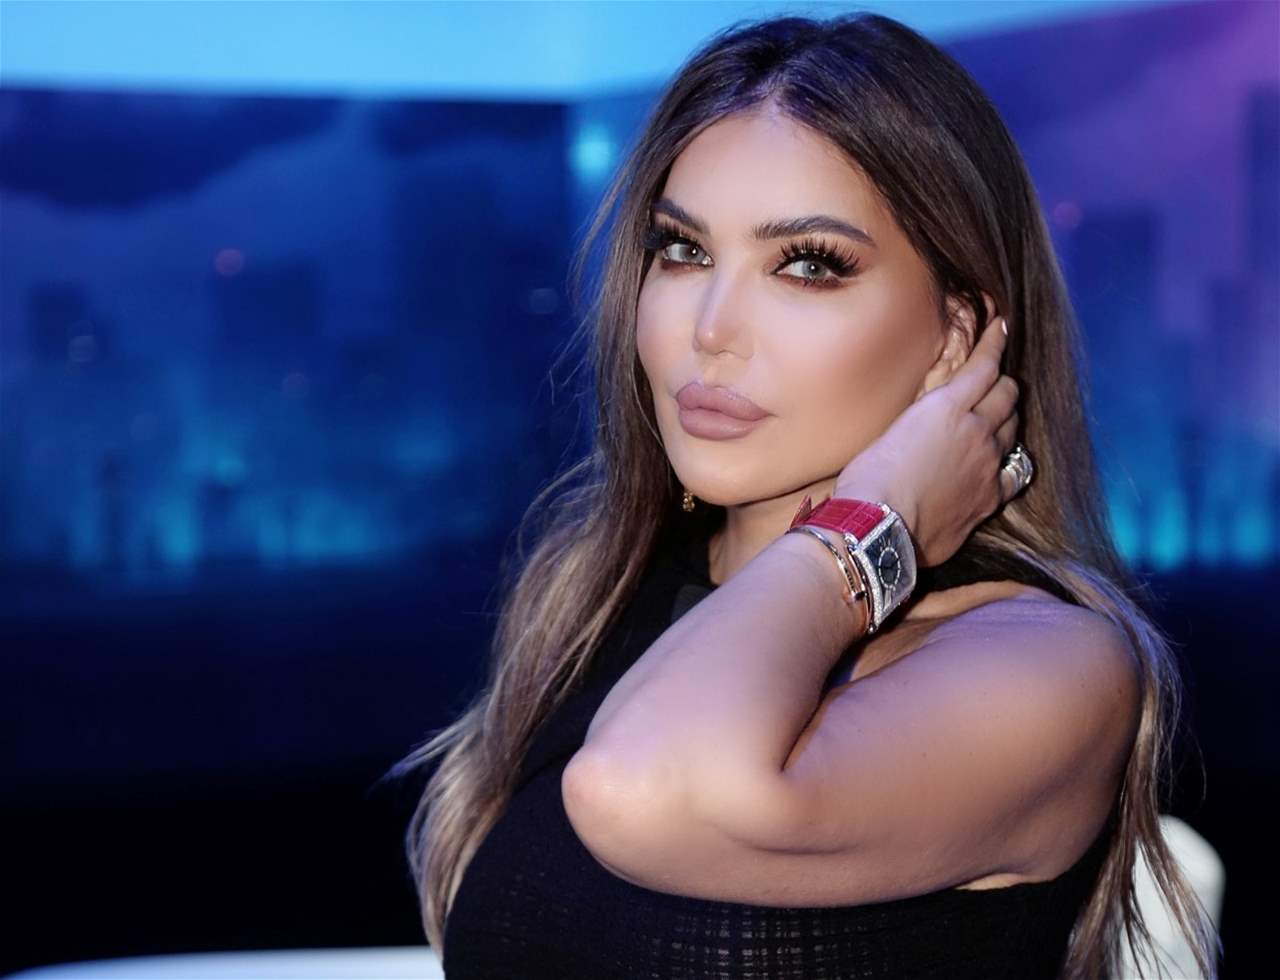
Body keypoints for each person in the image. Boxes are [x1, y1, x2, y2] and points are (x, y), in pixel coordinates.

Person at [390, 12, 1221, 979]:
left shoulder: (1053, 667)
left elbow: (645, 787)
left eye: (807, 265)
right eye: (683, 250)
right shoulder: (593, 593)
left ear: (955, 338)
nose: (711, 328)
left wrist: (873, 527)